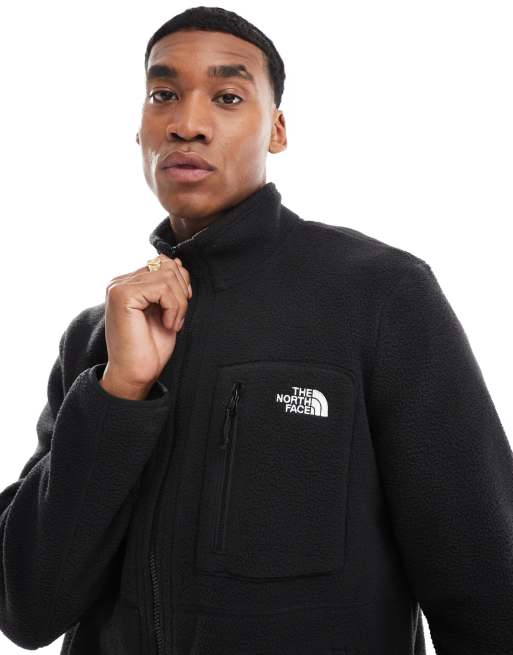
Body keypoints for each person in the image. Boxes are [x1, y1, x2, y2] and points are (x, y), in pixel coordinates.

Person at [1, 6, 512, 655]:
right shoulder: (96, 341)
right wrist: (120, 390)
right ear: (139, 128)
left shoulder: (380, 295)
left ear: (276, 129)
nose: (187, 123)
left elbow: (487, 585)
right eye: (163, 94)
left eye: (227, 96)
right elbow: (26, 608)